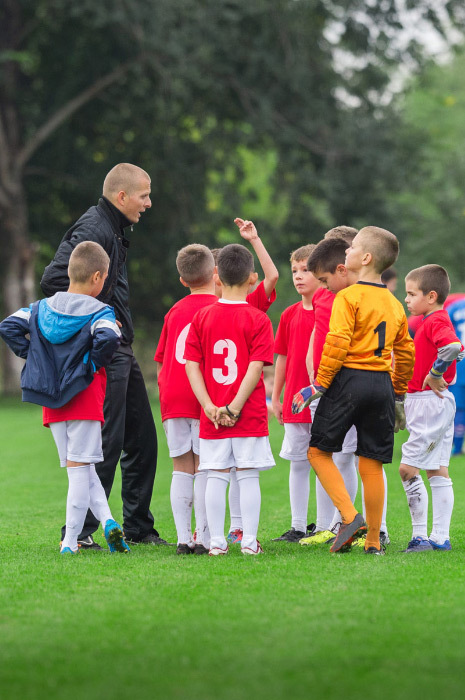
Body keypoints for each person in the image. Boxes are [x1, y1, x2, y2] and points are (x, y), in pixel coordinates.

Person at [40, 163, 169, 548]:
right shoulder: (95, 228)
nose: (148, 203)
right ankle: (79, 533)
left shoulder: (112, 227)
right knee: (106, 441)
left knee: (143, 439)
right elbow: (52, 280)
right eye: (144, 195)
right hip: (106, 349)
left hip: (121, 349)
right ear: (122, 196)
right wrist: (95, 319)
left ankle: (139, 527)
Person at [0, 242, 130, 554]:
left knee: (80, 469)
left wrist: (35, 357)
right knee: (79, 470)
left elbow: (8, 326)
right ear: (97, 277)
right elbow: (110, 338)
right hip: (84, 396)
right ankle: (70, 543)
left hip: (51, 400)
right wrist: (90, 365)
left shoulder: (40, 308)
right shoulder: (101, 311)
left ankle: (109, 522)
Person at [294, 226, 415, 555]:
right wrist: (399, 394)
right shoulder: (393, 303)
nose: (345, 252)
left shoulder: (347, 297)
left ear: (365, 257)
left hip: (349, 379)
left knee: (318, 452)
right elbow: (405, 352)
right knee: (372, 464)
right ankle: (374, 542)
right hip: (382, 384)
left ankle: (349, 518)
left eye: (352, 249)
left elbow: (337, 343)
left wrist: (318, 383)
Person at [184, 243, 275, 555]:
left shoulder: (202, 316)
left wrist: (209, 405)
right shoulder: (259, 319)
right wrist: (234, 407)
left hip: (212, 414)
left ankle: (217, 543)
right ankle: (249, 543)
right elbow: (255, 367)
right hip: (246, 412)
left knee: (215, 475)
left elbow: (192, 366)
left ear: (216, 277)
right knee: (248, 476)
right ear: (252, 278)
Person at [212, 219, 279, 545]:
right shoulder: (248, 312)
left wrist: (254, 239)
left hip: (211, 406)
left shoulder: (211, 312)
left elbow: (272, 277)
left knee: (216, 472)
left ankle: (221, 533)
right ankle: (241, 533)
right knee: (240, 471)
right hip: (243, 405)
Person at [154, 244, 218, 555]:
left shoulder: (174, 312)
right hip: (206, 397)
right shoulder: (221, 308)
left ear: (182, 280)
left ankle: (182, 540)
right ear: (215, 273)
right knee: (206, 467)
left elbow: (162, 360)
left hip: (174, 396)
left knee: (181, 466)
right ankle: (204, 538)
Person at [400, 265, 462, 552]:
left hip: (429, 401)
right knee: (437, 470)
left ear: (431, 295)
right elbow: (456, 350)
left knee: (407, 469)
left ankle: (419, 537)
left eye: (412, 294)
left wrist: (436, 373)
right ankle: (439, 537)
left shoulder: (436, 320)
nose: (407, 299)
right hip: (430, 402)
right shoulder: (432, 320)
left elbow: (452, 347)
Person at [271, 244, 319, 542]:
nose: (299, 277)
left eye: (306, 270)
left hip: (325, 398)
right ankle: (298, 526)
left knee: (327, 459)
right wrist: (276, 397)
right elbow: (282, 359)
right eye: (295, 271)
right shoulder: (289, 314)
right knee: (298, 461)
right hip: (296, 402)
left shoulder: (331, 312)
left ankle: (331, 524)